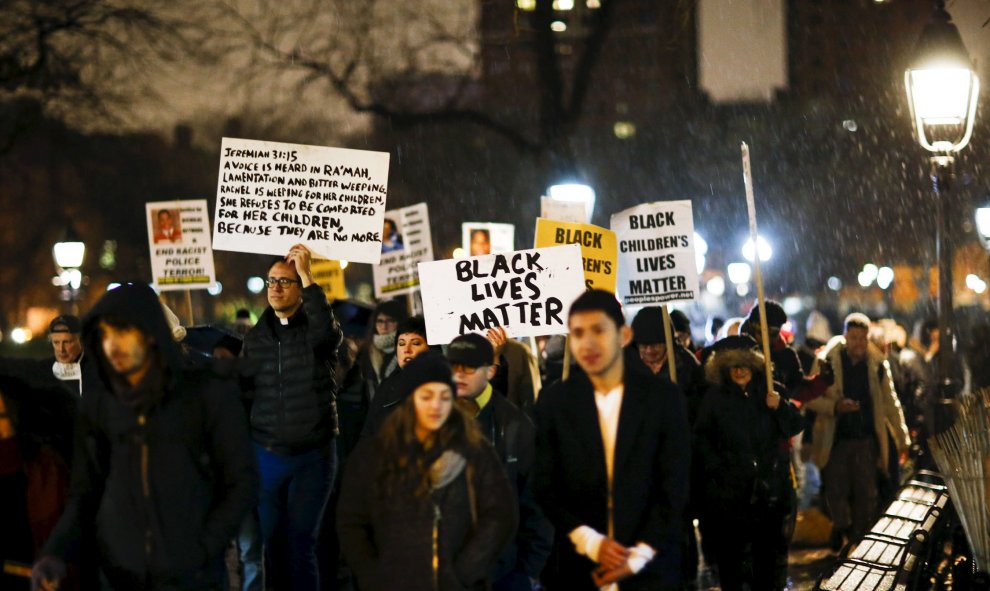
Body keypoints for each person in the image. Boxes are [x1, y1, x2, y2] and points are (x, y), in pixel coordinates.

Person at [31, 283, 257, 591]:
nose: (112, 345)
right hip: (120, 576)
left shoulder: (206, 395)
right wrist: (55, 553)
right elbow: (86, 492)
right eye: (105, 335)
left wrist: (203, 548)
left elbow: (240, 482)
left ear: (151, 333)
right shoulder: (100, 405)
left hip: (193, 578)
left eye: (123, 333)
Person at [534, 290, 690, 590]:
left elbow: (674, 485)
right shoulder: (555, 402)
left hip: (651, 570)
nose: (588, 343)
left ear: (624, 335)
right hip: (579, 570)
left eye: (599, 331)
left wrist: (638, 554)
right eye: (578, 333)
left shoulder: (663, 399)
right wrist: (590, 541)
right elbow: (546, 486)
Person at [337, 352, 518, 591]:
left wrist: (466, 571)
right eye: (427, 396)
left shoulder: (474, 450)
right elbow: (351, 521)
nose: (436, 406)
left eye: (445, 397)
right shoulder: (375, 454)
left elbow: (499, 513)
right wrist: (373, 575)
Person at [241, 244, 344, 590]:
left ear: (301, 290)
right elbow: (244, 394)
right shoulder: (255, 339)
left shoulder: (317, 334)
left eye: (286, 282)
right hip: (268, 454)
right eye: (271, 281)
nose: (276, 287)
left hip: (313, 456)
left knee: (302, 542)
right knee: (271, 543)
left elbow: (326, 335)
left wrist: (308, 276)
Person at [693, 335, 804, 591]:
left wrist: (780, 407)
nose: (740, 371)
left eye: (745, 365)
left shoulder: (770, 392)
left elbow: (795, 426)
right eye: (734, 367)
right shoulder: (714, 399)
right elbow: (702, 441)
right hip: (731, 496)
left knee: (767, 564)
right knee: (732, 565)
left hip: (768, 495)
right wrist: (721, 471)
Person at [447, 333, 553, 591]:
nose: (459, 374)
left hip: (502, 575)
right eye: (453, 366)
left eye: (469, 366)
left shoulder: (515, 425)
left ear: (491, 371)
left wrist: (526, 572)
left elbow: (539, 506)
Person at [807, 313, 910, 549]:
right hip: (835, 439)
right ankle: (841, 528)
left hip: (865, 439)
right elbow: (811, 397)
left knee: (865, 493)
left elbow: (890, 402)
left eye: (862, 338)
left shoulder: (877, 364)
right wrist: (835, 407)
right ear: (845, 336)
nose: (859, 344)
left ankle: (857, 542)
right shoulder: (828, 360)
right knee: (836, 490)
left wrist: (902, 438)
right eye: (853, 338)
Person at [362, 315, 433, 438]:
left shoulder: (443, 387)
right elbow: (368, 435)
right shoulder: (386, 387)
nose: (407, 349)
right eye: (401, 344)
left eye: (415, 343)